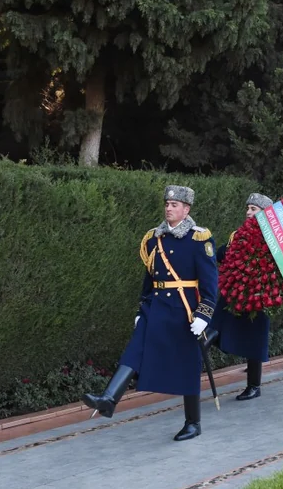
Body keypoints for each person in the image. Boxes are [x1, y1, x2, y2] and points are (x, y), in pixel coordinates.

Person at [82, 185, 218, 441]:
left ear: (186, 209)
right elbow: (150, 277)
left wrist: (204, 315)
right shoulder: (154, 238)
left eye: (174, 205)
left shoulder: (199, 239)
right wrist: (140, 307)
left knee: (187, 365)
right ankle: (109, 398)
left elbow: (211, 285)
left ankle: (193, 422)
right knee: (135, 349)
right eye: (167, 204)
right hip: (155, 308)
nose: (168, 208)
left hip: (184, 310)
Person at [208, 193, 274, 401]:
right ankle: (188, 368)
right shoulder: (237, 235)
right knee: (211, 330)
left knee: (253, 341)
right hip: (232, 293)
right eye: (248, 208)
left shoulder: (272, 238)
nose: (248, 212)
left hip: (256, 295)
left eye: (253, 209)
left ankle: (254, 385)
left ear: (265, 213)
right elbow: (221, 255)